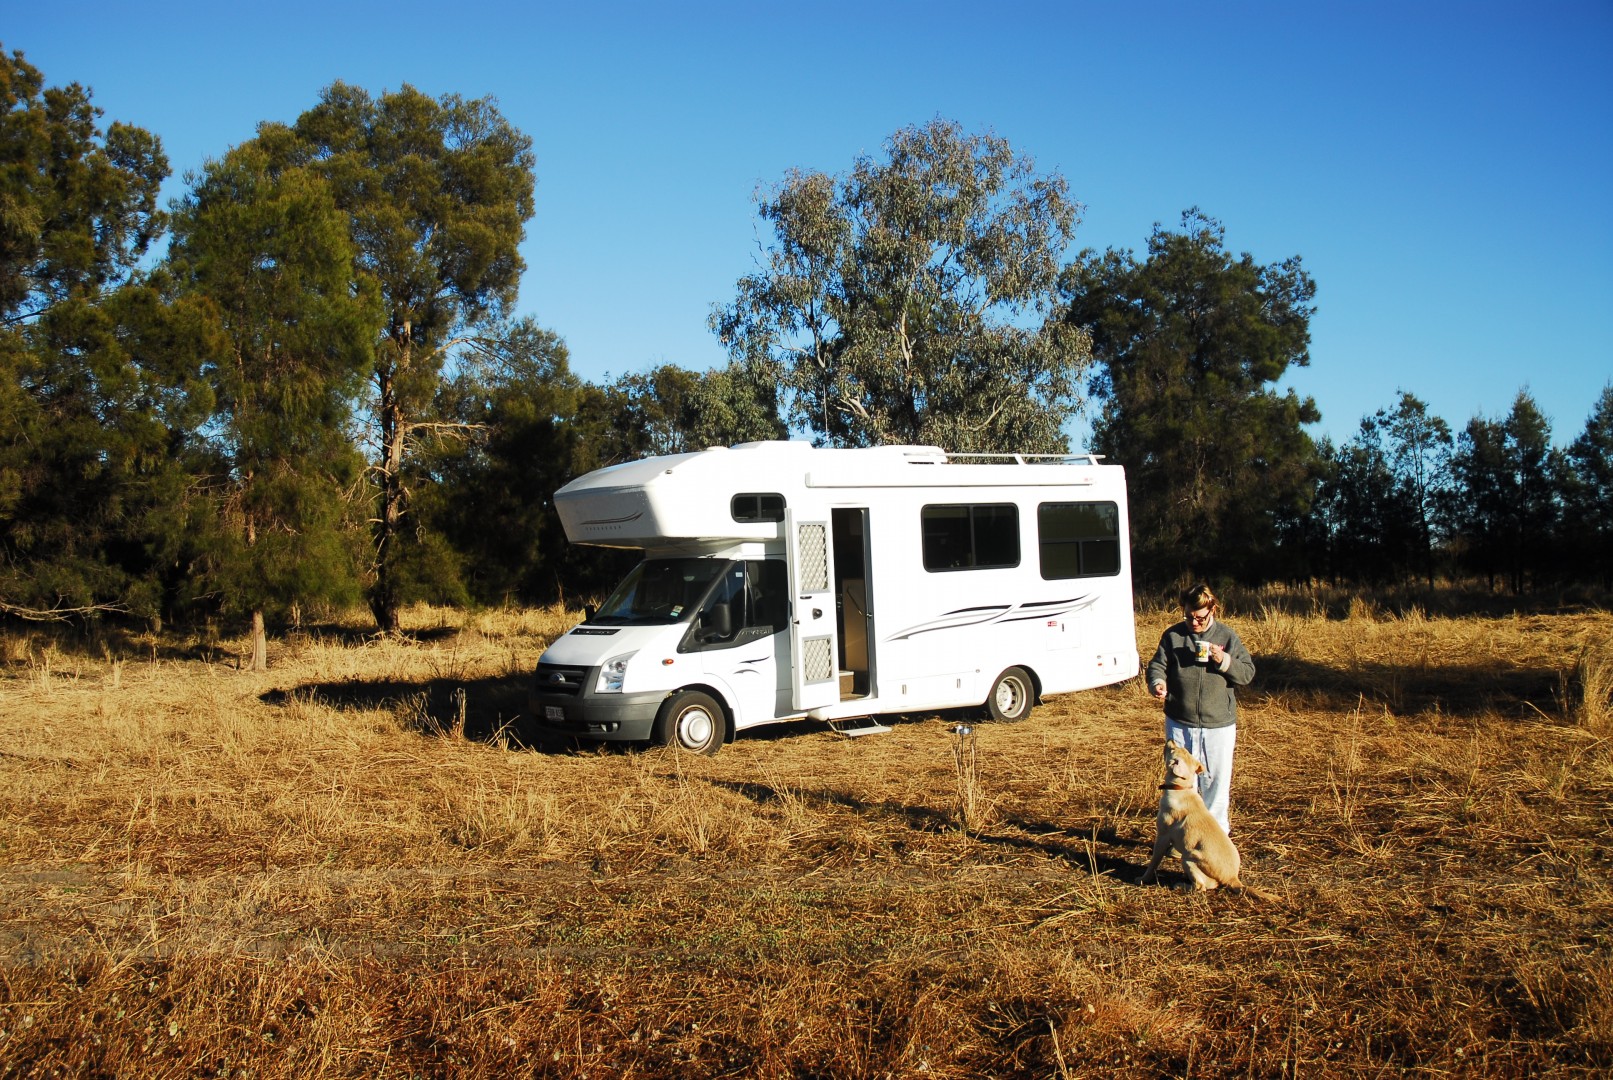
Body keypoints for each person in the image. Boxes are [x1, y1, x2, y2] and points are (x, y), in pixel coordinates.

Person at [1146, 583, 1255, 834]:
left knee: (1215, 784)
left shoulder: (1227, 636)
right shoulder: (1173, 636)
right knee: (1181, 784)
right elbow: (1157, 665)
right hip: (1179, 722)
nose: (1194, 623)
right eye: (1188, 616)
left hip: (1218, 725)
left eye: (1200, 618)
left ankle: (1216, 839)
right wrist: (1157, 682)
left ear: (1212, 610)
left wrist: (1223, 660)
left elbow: (1247, 673)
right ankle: (1181, 837)